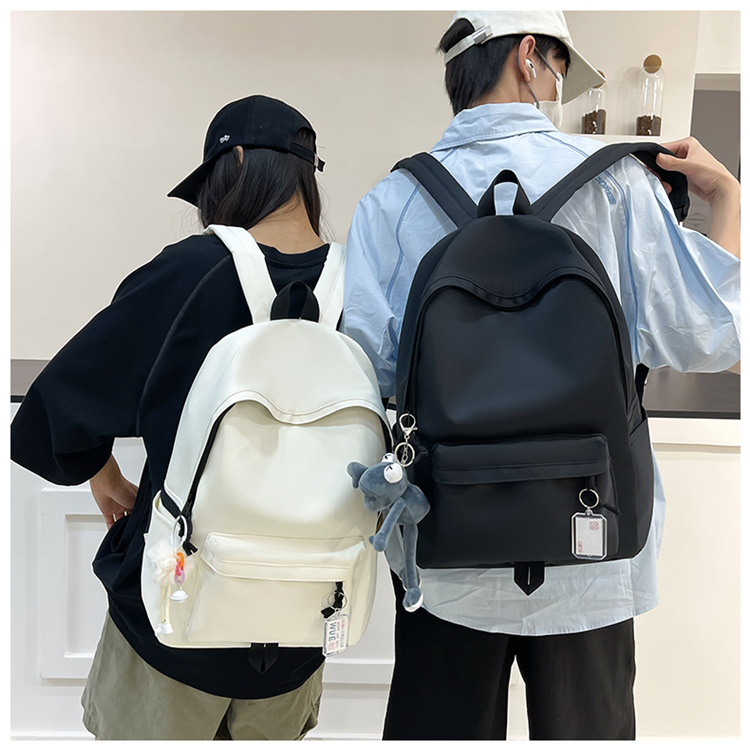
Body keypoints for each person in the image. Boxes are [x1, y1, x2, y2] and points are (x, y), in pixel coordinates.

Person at [342, 10, 740, 741]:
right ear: (529, 57)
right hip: (594, 538)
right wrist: (731, 200)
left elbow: (366, 373)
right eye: (558, 68)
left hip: (448, 546)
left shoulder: (391, 202)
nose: (557, 87)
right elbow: (717, 338)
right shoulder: (618, 186)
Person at [11, 95, 336, 740]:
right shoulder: (358, 285)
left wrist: (104, 476)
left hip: (173, 622)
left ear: (233, 163)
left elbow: (55, 409)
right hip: (300, 624)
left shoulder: (193, 271)